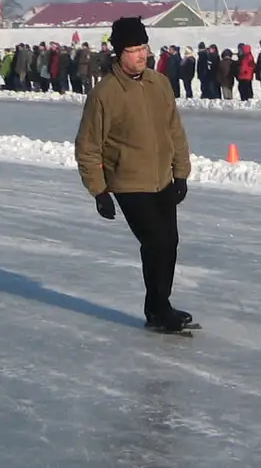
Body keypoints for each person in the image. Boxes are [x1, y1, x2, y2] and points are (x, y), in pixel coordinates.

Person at [74, 17, 194, 333]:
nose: (142, 55)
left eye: (144, 47)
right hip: (129, 183)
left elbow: (175, 131)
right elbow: (88, 146)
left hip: (162, 180)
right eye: (134, 49)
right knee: (156, 242)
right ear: (119, 53)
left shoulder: (159, 84)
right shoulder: (105, 94)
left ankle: (158, 307)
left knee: (169, 242)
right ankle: (159, 309)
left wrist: (181, 173)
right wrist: (99, 191)